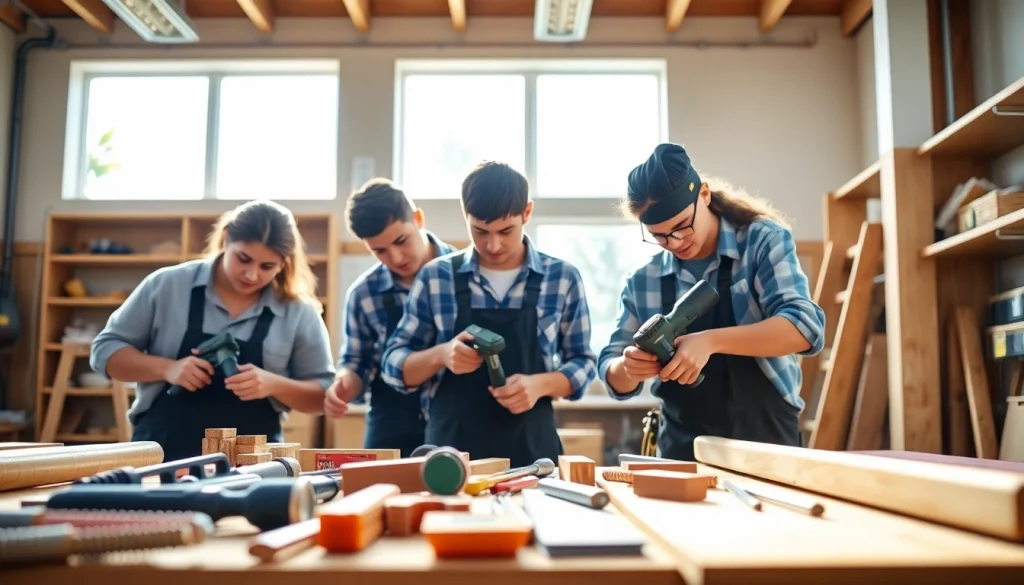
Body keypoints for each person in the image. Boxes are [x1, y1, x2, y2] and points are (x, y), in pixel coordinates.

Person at [599, 143, 826, 461]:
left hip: (766, 440)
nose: (675, 242)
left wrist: (710, 341)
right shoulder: (644, 280)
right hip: (682, 449)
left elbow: (805, 328)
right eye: (660, 236)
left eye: (681, 226)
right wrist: (628, 366)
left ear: (703, 194)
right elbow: (612, 373)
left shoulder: (762, 242)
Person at [380, 161, 598, 467]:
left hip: (534, 454)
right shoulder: (436, 277)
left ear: (527, 213)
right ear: (465, 215)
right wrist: (442, 355)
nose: (492, 245)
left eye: (505, 231)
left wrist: (541, 385)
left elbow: (585, 364)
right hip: (452, 459)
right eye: (480, 231)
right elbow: (392, 365)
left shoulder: (561, 278)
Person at [90, 200, 336, 462]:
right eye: (244, 259)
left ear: (284, 263)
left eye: (267, 267)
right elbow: (104, 352)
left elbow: (323, 396)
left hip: (254, 464)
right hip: (162, 453)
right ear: (227, 238)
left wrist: (274, 384)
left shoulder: (299, 311)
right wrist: (167, 368)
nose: (252, 275)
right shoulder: (167, 285)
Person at [322, 178, 457, 457]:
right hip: (389, 430)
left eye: (401, 241)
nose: (396, 257)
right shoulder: (363, 294)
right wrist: (344, 384)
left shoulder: (465, 276)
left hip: (456, 428)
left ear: (418, 219)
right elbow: (357, 362)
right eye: (379, 251)